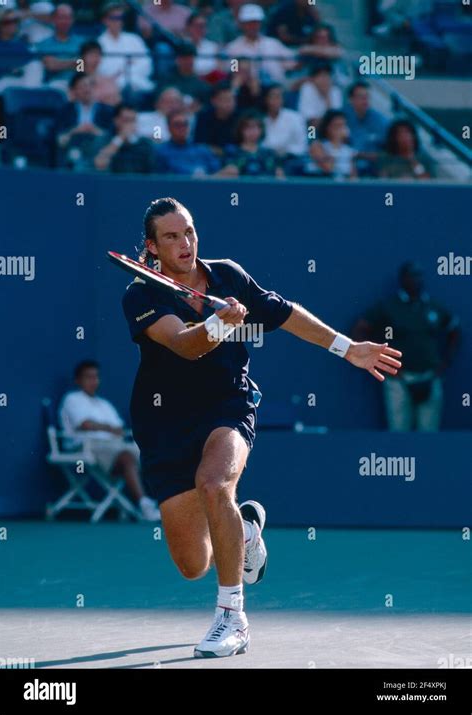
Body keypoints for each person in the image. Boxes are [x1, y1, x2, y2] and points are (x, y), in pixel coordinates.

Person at [121, 197, 402, 657]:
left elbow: (285, 312)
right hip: (164, 424)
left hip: (227, 405)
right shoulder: (141, 294)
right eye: (171, 236)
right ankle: (245, 529)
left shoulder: (227, 275)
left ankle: (232, 618)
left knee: (214, 484)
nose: (185, 242)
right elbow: (184, 345)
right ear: (151, 247)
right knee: (193, 564)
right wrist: (216, 324)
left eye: (189, 231)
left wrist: (347, 348)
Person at [352, 262, 459, 432]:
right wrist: (379, 361)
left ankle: (426, 460)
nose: (417, 280)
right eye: (412, 276)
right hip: (398, 380)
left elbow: (455, 330)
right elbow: (360, 329)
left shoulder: (433, 307)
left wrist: (444, 365)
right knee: (399, 433)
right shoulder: (388, 306)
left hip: (430, 378)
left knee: (429, 434)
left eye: (419, 276)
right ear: (403, 279)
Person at [59, 360, 161, 521]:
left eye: (96, 377)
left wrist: (102, 427)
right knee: (127, 457)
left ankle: (160, 502)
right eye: (88, 377)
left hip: (114, 446)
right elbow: (85, 424)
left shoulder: (103, 404)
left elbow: (119, 429)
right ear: (77, 380)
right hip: (85, 447)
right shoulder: (72, 399)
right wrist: (107, 428)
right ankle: (144, 506)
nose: (93, 381)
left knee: (149, 455)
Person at [224, 3, 296, 84]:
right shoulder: (233, 47)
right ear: (241, 24)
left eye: (256, 22)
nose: (253, 26)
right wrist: (243, 68)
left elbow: (292, 62)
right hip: (249, 90)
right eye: (249, 23)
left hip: (276, 89)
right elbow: (233, 70)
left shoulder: (273, 44)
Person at [98, 2, 154, 95]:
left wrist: (124, 71)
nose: (118, 21)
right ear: (105, 20)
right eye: (114, 18)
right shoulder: (99, 43)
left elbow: (147, 64)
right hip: (112, 89)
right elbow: (104, 70)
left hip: (139, 87)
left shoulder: (135, 39)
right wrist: (128, 65)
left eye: (121, 18)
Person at [57, 73, 114, 163]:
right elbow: (60, 137)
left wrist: (95, 131)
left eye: (90, 85)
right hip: (72, 147)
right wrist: (76, 130)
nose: (87, 89)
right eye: (82, 86)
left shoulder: (107, 110)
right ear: (74, 90)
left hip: (98, 149)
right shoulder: (65, 111)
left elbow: (112, 136)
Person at [93, 103, 158, 174]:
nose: (130, 124)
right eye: (126, 120)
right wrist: (120, 139)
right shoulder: (104, 139)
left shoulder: (144, 143)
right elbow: (99, 164)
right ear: (116, 121)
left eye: (133, 120)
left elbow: (152, 171)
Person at [343, 81, 389, 177]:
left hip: (373, 170)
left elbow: (387, 152)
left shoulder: (381, 121)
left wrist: (362, 155)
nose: (365, 100)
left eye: (367, 96)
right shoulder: (340, 118)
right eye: (360, 96)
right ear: (351, 99)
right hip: (345, 167)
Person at [155, 109, 221, 175]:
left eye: (185, 124)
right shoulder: (161, 151)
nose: (182, 128)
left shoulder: (202, 149)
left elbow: (217, 172)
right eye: (177, 125)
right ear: (169, 127)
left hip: (206, 184)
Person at [220, 108, 283, 177]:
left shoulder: (270, 154)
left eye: (256, 127)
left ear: (261, 129)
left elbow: (280, 179)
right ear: (240, 129)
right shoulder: (231, 152)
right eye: (248, 127)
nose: (252, 131)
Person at [36, 4, 83, 87]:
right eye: (62, 17)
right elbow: (50, 67)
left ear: (72, 20)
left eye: (68, 18)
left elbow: (82, 67)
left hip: (78, 86)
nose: (65, 21)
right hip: (53, 87)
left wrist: (58, 63)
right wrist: (73, 62)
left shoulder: (82, 43)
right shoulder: (43, 45)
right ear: (54, 19)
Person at [261, 82, 307, 157]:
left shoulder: (296, 117)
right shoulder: (261, 119)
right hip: (267, 159)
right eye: (272, 97)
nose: (275, 101)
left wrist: (286, 151)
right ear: (266, 99)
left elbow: (302, 145)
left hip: (291, 159)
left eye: (278, 97)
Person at [159, 43, 212, 108]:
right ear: (177, 59)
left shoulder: (201, 84)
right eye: (184, 58)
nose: (187, 61)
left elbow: (205, 106)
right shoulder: (166, 79)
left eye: (190, 58)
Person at [308, 109, 357, 179]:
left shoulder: (348, 150)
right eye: (337, 126)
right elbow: (328, 168)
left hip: (343, 188)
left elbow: (354, 177)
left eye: (343, 125)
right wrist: (337, 141)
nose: (341, 129)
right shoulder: (316, 145)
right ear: (327, 128)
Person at [193, 82, 239, 155]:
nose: (230, 103)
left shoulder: (240, 117)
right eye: (225, 99)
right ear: (213, 101)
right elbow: (200, 145)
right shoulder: (204, 117)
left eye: (232, 99)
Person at [80, 39, 122, 106]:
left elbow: (117, 99)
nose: (95, 59)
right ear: (83, 57)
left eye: (97, 55)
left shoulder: (106, 79)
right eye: (91, 55)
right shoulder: (78, 78)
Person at [184, 11, 219, 77]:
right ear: (188, 27)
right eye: (197, 26)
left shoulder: (213, 47)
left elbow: (217, 69)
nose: (200, 29)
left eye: (202, 26)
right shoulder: (181, 46)